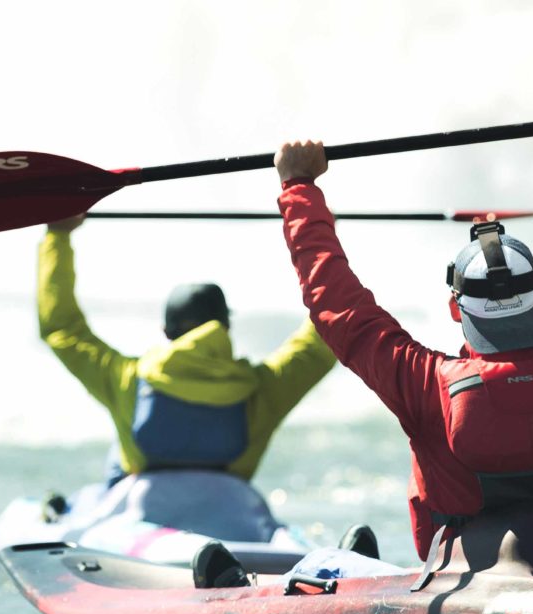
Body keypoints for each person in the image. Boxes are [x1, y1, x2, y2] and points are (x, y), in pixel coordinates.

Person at [193, 101, 533, 590]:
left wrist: (298, 186)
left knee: (359, 565)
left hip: (468, 580)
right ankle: (348, 561)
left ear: (457, 310)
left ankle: (301, 572)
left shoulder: (427, 385)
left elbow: (337, 305)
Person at [36, 215, 362, 575]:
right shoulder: (263, 387)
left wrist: (59, 235)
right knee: (275, 534)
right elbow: (324, 333)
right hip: (237, 508)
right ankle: (340, 562)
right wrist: (321, 241)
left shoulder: (127, 378)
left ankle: (202, 560)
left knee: (108, 511)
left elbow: (62, 328)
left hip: (144, 509)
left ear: (165, 330)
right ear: (226, 326)